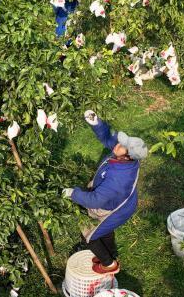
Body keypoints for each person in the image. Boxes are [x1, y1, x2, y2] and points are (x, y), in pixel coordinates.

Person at [63, 111, 148, 274]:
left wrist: (72, 193)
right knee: (105, 230)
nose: (117, 145)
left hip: (113, 209)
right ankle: (111, 253)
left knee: (90, 236)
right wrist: (97, 124)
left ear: (128, 156)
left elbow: (95, 200)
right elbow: (109, 138)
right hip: (115, 201)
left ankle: (109, 265)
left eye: (122, 145)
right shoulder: (123, 156)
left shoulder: (119, 178)